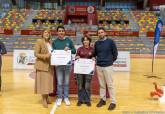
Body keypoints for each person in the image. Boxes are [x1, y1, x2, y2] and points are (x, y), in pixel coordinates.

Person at [93, 27, 118, 110]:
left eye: (102, 32)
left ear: (105, 33)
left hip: (108, 66)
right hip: (99, 66)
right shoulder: (96, 43)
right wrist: (93, 57)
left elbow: (115, 54)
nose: (100, 34)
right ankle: (103, 99)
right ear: (98, 34)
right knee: (102, 85)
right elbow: (95, 54)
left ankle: (113, 101)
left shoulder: (110, 42)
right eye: (99, 33)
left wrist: (109, 61)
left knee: (110, 85)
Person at [52, 26, 76, 106]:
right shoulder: (54, 42)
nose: (61, 32)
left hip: (67, 65)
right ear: (57, 32)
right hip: (58, 65)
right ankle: (59, 97)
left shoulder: (69, 40)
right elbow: (53, 52)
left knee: (66, 82)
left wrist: (69, 48)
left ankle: (66, 97)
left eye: (62, 31)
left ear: (64, 32)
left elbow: (74, 51)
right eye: (59, 31)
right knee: (59, 82)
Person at [34, 30, 54, 108]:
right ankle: (44, 99)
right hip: (42, 65)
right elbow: (36, 54)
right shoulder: (39, 41)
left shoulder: (50, 43)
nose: (47, 34)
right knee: (43, 83)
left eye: (48, 33)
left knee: (48, 83)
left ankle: (47, 97)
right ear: (42, 34)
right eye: (45, 32)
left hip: (49, 65)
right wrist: (46, 56)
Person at [75, 36, 94, 107]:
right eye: (84, 40)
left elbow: (95, 58)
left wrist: (94, 58)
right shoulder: (79, 49)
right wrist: (76, 57)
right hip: (80, 71)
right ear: (83, 41)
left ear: (89, 41)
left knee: (87, 86)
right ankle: (80, 100)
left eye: (87, 40)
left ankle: (87, 100)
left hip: (88, 71)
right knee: (80, 86)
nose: (85, 42)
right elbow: (76, 57)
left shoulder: (92, 49)